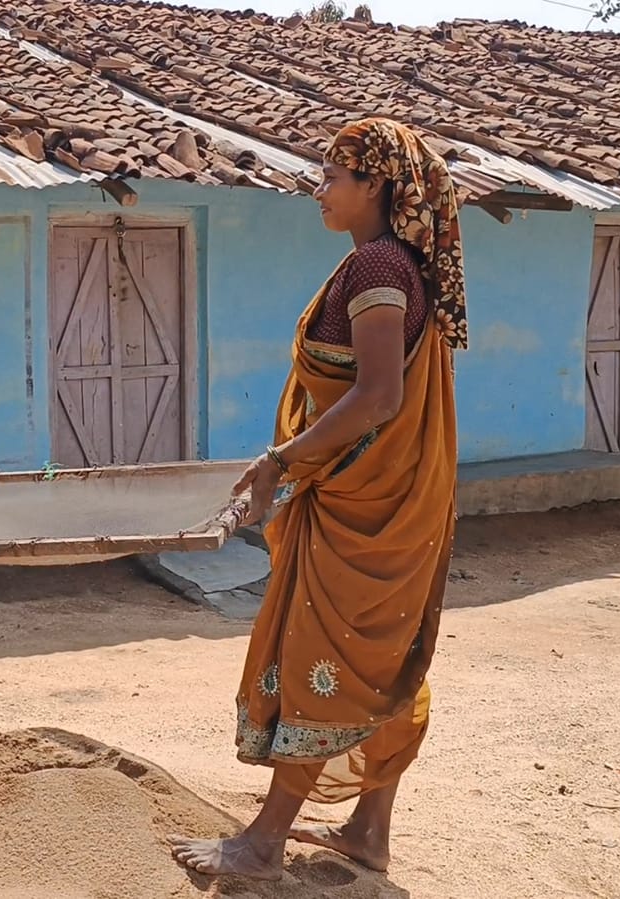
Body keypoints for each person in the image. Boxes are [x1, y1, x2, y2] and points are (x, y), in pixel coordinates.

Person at [170, 118, 466, 880]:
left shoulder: (377, 267)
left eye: (333, 176)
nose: (319, 189)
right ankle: (368, 829)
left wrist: (280, 459)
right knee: (381, 654)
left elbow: (377, 395)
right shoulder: (392, 265)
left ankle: (264, 840)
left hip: (359, 501)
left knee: (323, 650)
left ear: (376, 184)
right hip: (385, 495)